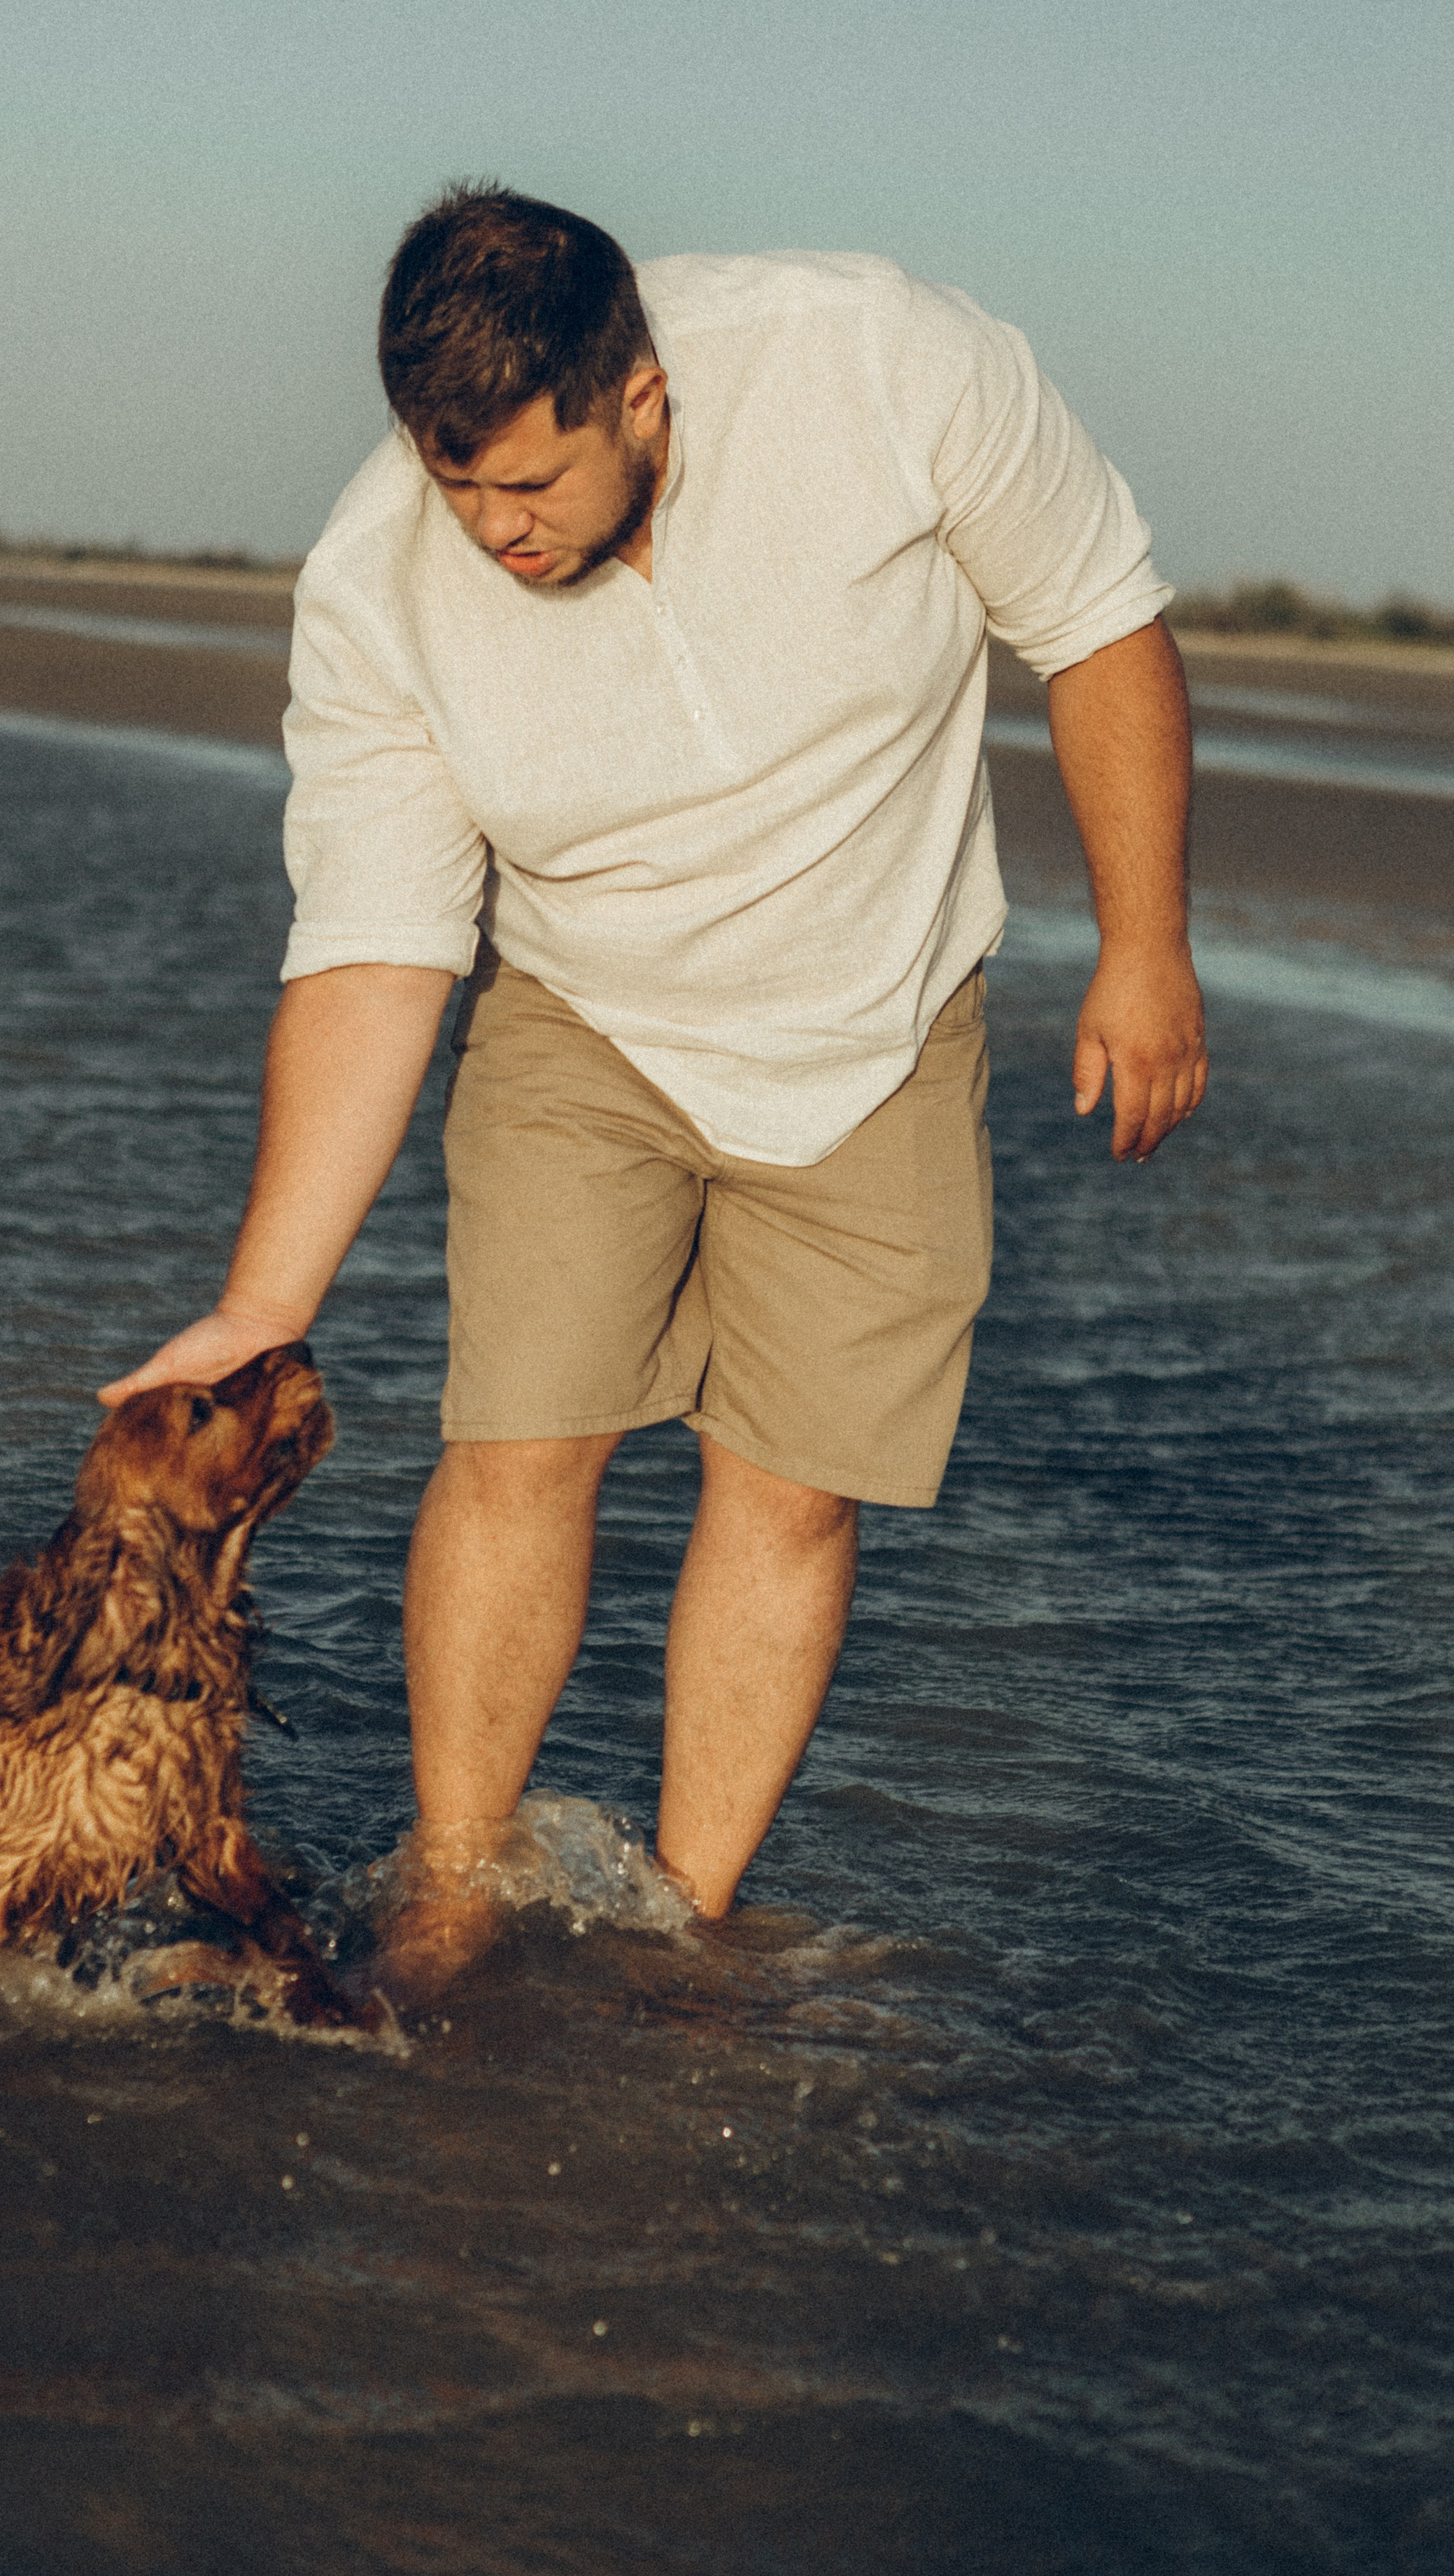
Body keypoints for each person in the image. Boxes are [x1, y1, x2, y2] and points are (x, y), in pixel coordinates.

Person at [103, 184, 1206, 1944]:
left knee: (788, 1493)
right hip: (581, 1014)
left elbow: (1094, 621)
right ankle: (452, 1887)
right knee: (519, 1440)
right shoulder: (379, 581)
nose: (488, 530)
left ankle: (685, 1919)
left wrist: (1143, 948)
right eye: (453, 482)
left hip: (879, 1017)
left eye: (527, 485)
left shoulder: (882, 361)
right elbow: (379, 950)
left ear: (639, 397)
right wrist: (263, 1300)